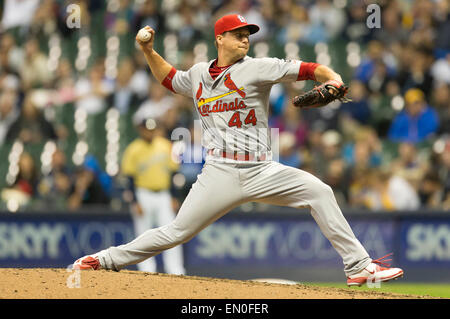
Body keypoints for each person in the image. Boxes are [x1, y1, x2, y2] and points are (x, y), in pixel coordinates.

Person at [74, 14, 403, 286]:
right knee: (175, 232)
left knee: (319, 191)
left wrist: (332, 77)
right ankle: (102, 259)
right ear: (220, 38)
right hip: (220, 173)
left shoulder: (259, 67)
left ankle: (359, 266)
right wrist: (148, 50)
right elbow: (171, 80)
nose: (245, 39)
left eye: (247, 34)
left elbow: (309, 69)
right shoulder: (200, 74)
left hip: (262, 170)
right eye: (237, 34)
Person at [120, 116, 185, 275]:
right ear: (140, 130)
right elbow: (129, 178)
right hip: (143, 194)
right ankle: (146, 270)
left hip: (163, 195)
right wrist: (135, 201)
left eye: (152, 129)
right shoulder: (133, 149)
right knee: (143, 235)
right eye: (146, 129)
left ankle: (175, 270)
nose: (150, 132)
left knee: (172, 234)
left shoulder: (165, 146)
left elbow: (173, 173)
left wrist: (174, 197)